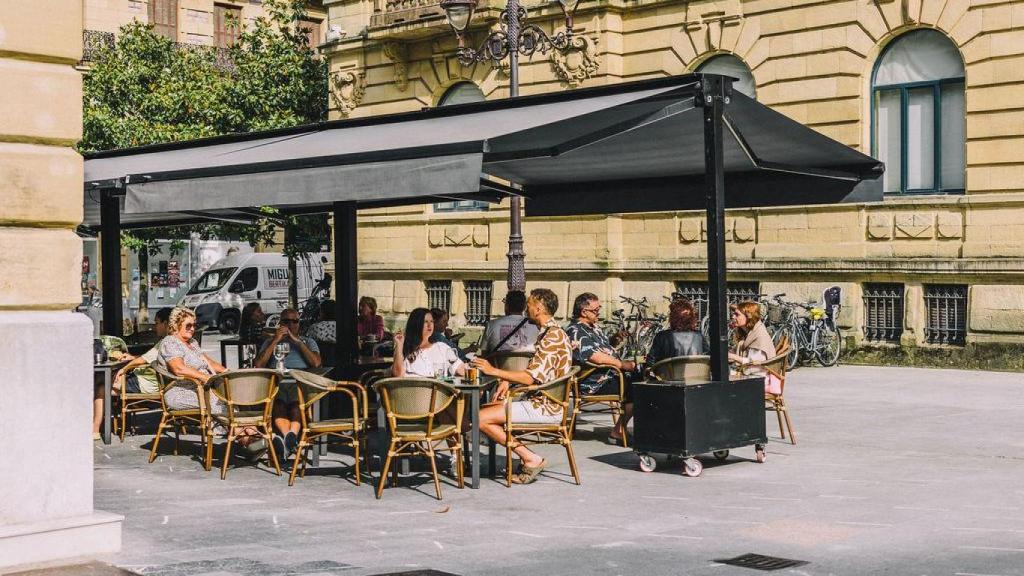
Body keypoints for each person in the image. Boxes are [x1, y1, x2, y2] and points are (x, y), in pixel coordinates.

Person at [470, 288, 573, 485]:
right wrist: (508, 381)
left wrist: (494, 371)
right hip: (542, 402)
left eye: (530, 304)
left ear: (539, 308)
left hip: (545, 407)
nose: (527, 307)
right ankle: (515, 453)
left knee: (480, 418)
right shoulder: (552, 333)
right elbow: (537, 371)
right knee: (484, 411)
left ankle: (529, 457)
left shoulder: (552, 337)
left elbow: (530, 378)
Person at [565, 292, 636, 444]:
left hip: (608, 375)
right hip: (595, 382)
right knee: (639, 388)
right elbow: (594, 356)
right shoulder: (575, 331)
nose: (599, 313)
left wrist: (614, 339)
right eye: (595, 310)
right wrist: (623, 365)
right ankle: (618, 431)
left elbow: (602, 349)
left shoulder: (592, 327)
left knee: (643, 378)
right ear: (584, 312)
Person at [91, 308, 172, 440]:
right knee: (104, 383)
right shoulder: (168, 341)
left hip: (145, 383)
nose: (155, 326)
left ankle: (95, 429)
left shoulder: (166, 342)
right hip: (146, 380)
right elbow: (147, 357)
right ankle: (99, 424)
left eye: (157, 323)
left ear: (166, 323)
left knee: (101, 386)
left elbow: (143, 360)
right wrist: (131, 357)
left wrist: (126, 366)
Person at [254, 308, 321, 458]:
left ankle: (287, 439)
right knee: (278, 405)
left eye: (294, 321)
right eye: (286, 321)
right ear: (280, 323)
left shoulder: (308, 341)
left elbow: (316, 363)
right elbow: (258, 365)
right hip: (277, 381)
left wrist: (298, 342)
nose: (290, 325)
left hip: (299, 382)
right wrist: (275, 341)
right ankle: (290, 438)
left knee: (296, 406)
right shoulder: (270, 342)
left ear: (299, 324)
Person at [391, 308, 466, 379]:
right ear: (416, 324)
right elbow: (398, 375)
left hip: (438, 391)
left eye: (432, 321)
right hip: (412, 392)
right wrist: (399, 345)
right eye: (425, 322)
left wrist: (473, 368)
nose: (430, 325)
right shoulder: (405, 349)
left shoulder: (442, 347)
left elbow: (460, 369)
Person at [645, 298, 705, 372]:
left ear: (673, 318)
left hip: (669, 380)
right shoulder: (699, 336)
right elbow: (707, 358)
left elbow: (650, 363)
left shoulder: (662, 336)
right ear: (691, 319)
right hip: (697, 379)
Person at [478, 290, 540, 355]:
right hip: (527, 364)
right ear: (524, 307)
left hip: (497, 364)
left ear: (506, 306)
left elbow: (484, 353)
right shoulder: (535, 326)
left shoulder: (491, 325)